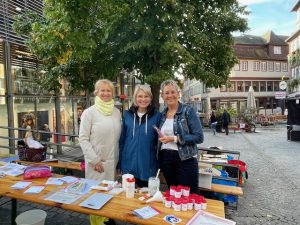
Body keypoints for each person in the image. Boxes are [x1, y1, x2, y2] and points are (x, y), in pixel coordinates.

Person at [79, 79, 121, 225]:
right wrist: (94, 160)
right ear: (96, 92)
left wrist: (118, 161)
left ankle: (108, 218)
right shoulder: (89, 113)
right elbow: (83, 139)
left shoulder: (116, 112)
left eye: (108, 90)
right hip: (96, 164)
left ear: (112, 93)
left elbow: (116, 139)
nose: (105, 93)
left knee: (109, 195)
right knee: (96, 197)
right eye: (102, 90)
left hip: (112, 163)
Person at [158, 80, 204, 194]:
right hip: (166, 160)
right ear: (162, 95)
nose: (170, 95)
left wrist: (175, 138)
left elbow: (199, 137)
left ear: (178, 93)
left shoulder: (188, 111)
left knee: (189, 195)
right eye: (167, 93)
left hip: (185, 159)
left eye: (173, 92)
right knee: (174, 194)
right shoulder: (162, 114)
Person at [119, 85, 161, 188]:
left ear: (150, 98)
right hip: (128, 166)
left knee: (145, 198)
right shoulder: (127, 115)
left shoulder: (157, 116)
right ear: (135, 98)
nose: (143, 99)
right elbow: (122, 141)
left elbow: (159, 143)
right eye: (140, 96)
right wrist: (121, 163)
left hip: (147, 167)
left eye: (146, 96)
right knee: (128, 198)